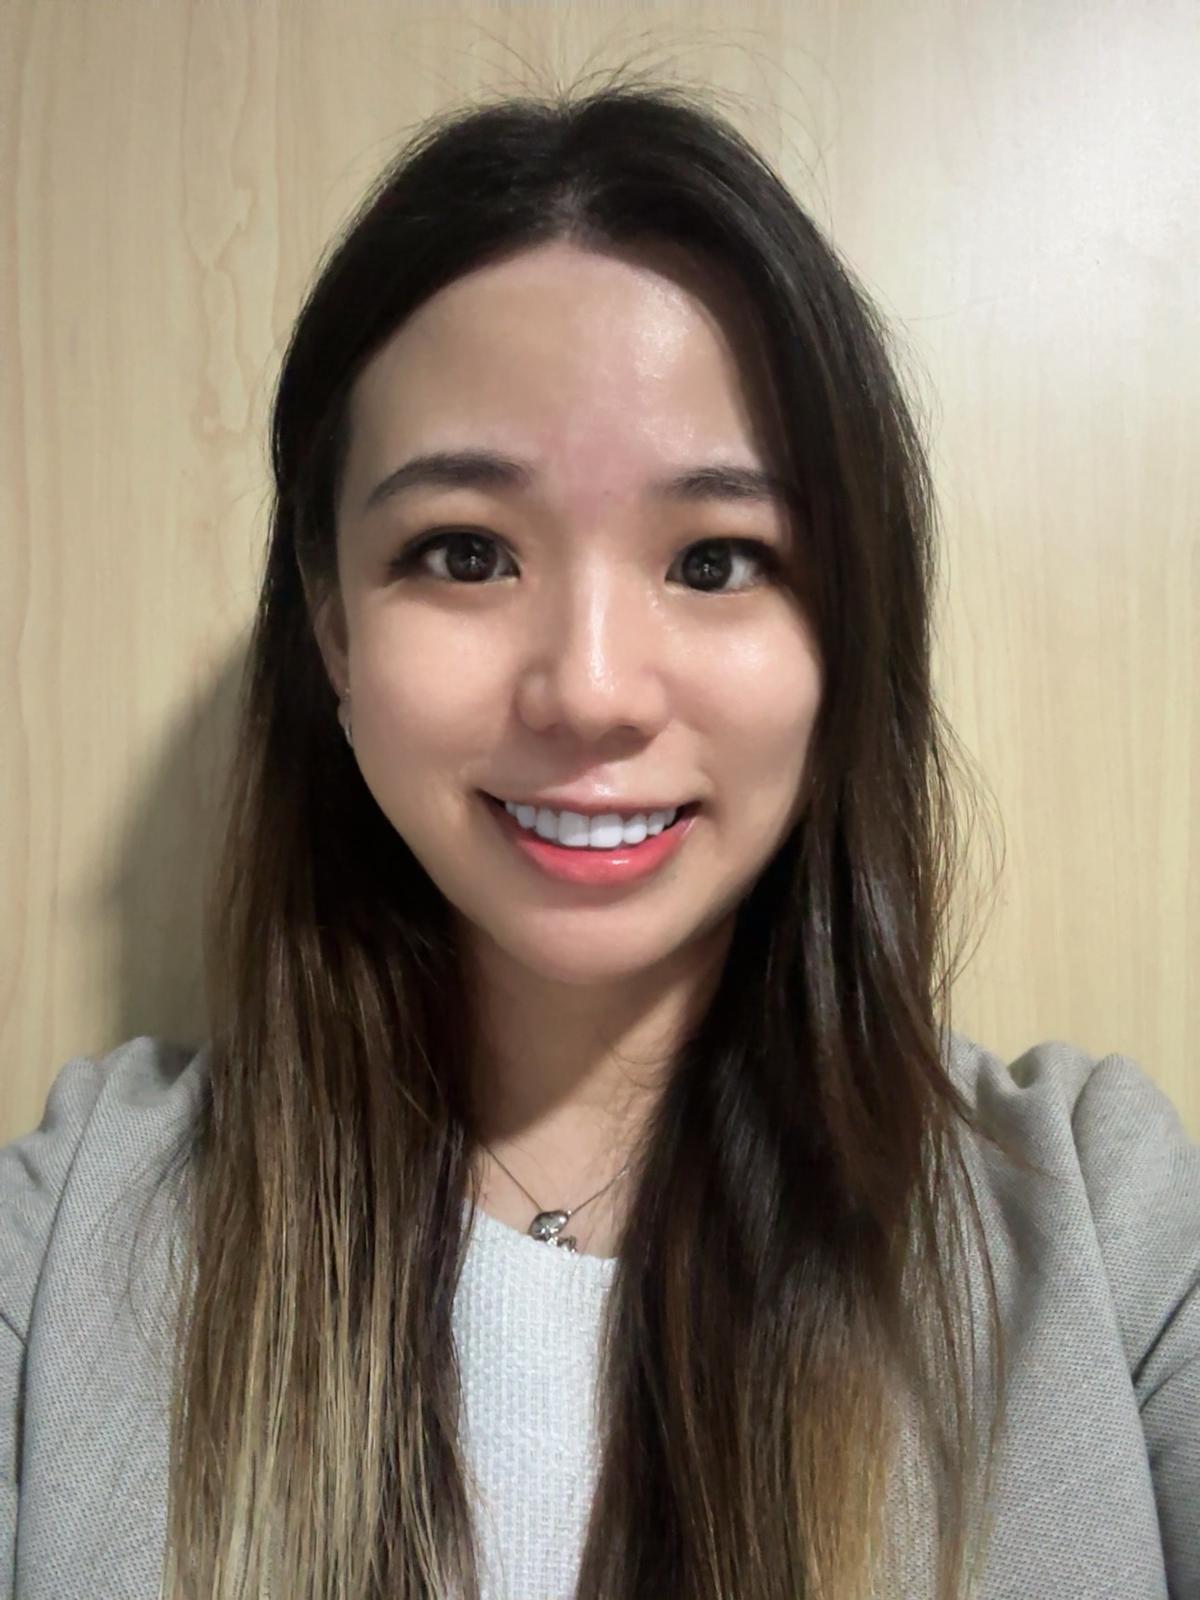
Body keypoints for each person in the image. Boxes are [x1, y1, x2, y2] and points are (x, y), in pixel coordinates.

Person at [2, 78, 1197, 1600]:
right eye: (464, 552)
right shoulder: (65, 1240)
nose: (589, 690)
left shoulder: (1102, 1229)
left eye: (716, 558)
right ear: (329, 623)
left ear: (847, 640)